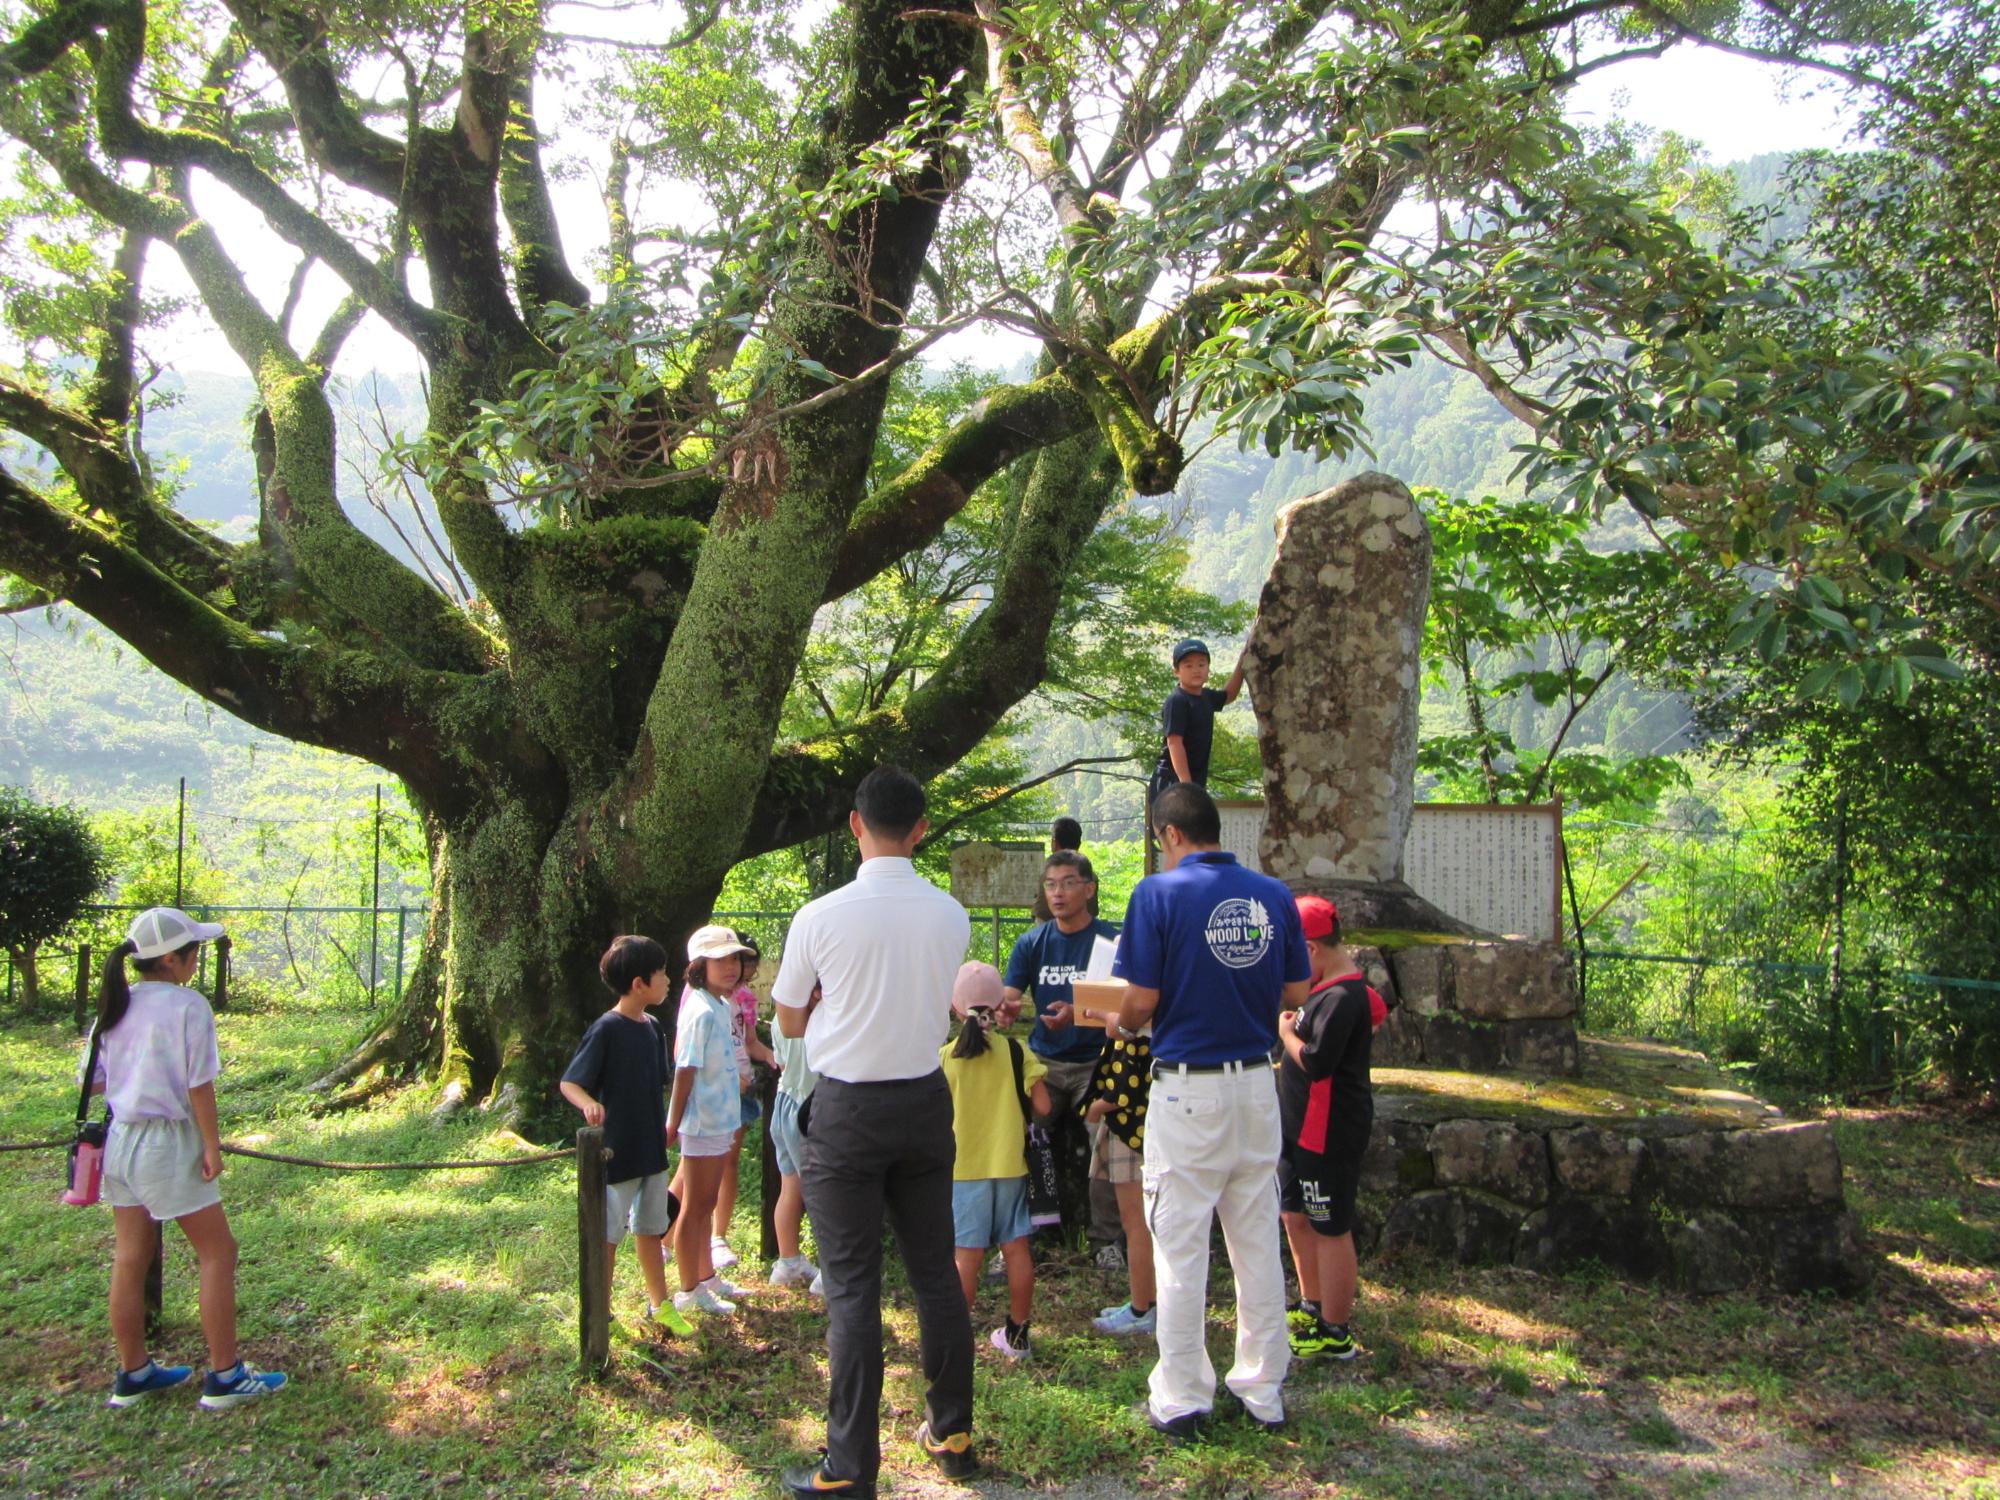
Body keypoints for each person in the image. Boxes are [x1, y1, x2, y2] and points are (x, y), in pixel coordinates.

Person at [772, 766, 978, 1498]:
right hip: (926, 1102)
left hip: (847, 1112)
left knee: (854, 1287)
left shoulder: (821, 916)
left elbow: (790, 1019)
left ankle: (850, 1468)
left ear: (855, 825)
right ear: (920, 829)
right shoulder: (951, 914)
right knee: (934, 1273)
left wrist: (826, 1003)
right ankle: (952, 1429)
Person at [1113, 782, 1309, 1437]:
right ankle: (1263, 1388)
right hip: (1258, 1082)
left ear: (1168, 834)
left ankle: (1183, 1397)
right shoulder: (1273, 896)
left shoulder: (1157, 893)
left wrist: (1117, 1021)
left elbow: (1139, 1001)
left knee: (1180, 1245)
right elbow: (1297, 989)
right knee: (1256, 1242)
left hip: (1188, 1090)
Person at [87, 907, 288, 1409]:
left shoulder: (115, 1005)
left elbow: (93, 1082)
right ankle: (225, 1377)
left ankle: (133, 1372)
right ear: (173, 960)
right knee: (218, 1252)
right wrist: (211, 1147)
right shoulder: (187, 1007)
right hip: (167, 1144)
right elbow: (200, 1085)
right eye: (194, 952)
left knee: (130, 1256)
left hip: (120, 1142)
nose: (197, 960)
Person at [559, 935, 691, 1335]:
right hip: (616, 1154)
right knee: (609, 1236)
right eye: (662, 973)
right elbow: (571, 1082)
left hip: (651, 1152)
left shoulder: (652, 1028)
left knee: (652, 1229)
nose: (669, 980)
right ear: (639, 983)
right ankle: (600, 1309)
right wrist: (588, 1104)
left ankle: (660, 1304)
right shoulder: (606, 1029)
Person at [1001, 851, 1124, 1259]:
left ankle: (1106, 1239)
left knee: (1106, 1142)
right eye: (1051, 884)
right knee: (1023, 1133)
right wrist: (1002, 1007)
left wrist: (1078, 1014)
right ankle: (1026, 1234)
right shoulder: (1031, 942)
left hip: (1097, 1062)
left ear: (1088, 889)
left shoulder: (1109, 941)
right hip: (1046, 1064)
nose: (1058, 893)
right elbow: (1010, 996)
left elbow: (1121, 1005)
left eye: (1069, 883)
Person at [1278, 895, 1383, 1363]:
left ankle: (1336, 1330)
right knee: (1295, 1215)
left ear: (1312, 949)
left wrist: (1286, 1036)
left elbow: (1319, 1061)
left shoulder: (1342, 996)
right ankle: (1311, 1304)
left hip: (1329, 1129)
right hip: (1299, 1127)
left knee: (1330, 1226)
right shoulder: (1325, 991)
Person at [940, 962, 1051, 1361]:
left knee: (965, 1255)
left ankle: (954, 1343)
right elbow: (1043, 1105)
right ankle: (1018, 1338)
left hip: (962, 1170)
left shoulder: (944, 1058)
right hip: (1010, 1166)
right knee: (1016, 1249)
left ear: (955, 1008)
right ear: (1001, 1003)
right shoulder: (1016, 1051)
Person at [667, 925, 755, 1317]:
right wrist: (673, 1121)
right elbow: (685, 1068)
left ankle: (706, 1277)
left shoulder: (720, 1005)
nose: (731, 967)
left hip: (723, 1120)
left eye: (735, 958)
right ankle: (689, 1288)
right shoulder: (699, 1010)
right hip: (702, 1122)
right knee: (697, 1206)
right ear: (700, 965)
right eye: (721, 960)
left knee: (706, 1202)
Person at [705, 932, 776, 1275]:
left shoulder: (744, 999)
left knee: (728, 1162)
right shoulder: (702, 999)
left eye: (746, 960)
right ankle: (664, 1237)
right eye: (732, 960)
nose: (740, 968)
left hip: (741, 1094)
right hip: (713, 1094)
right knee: (698, 1169)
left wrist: (775, 1058)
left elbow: (750, 1044)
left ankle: (717, 1237)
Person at [1085, 1020, 1157, 1338]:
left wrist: (1095, 1108)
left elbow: (1125, 1090)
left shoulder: (1137, 1037)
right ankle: (1145, 1300)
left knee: (1136, 1223)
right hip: (1133, 1128)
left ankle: (1143, 1309)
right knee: (1138, 1222)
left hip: (1131, 1132)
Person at [1144, 637, 1248, 809]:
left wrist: (1243, 661)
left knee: (1195, 834)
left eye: (1201, 664)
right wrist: (1187, 786)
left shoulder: (1206, 697)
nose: (1196, 670)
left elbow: (1229, 695)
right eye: (1188, 665)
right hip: (1172, 784)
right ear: (1176, 671)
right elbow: (1174, 742)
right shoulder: (1177, 700)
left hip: (1193, 785)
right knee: (1178, 834)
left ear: (1208, 669)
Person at [766, 985, 821, 1292]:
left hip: (784, 1104)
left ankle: (788, 1262)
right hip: (809, 1110)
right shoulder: (820, 1022)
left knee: (791, 1186)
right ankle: (831, 1271)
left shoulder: (779, 1018)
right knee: (821, 1194)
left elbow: (783, 1064)